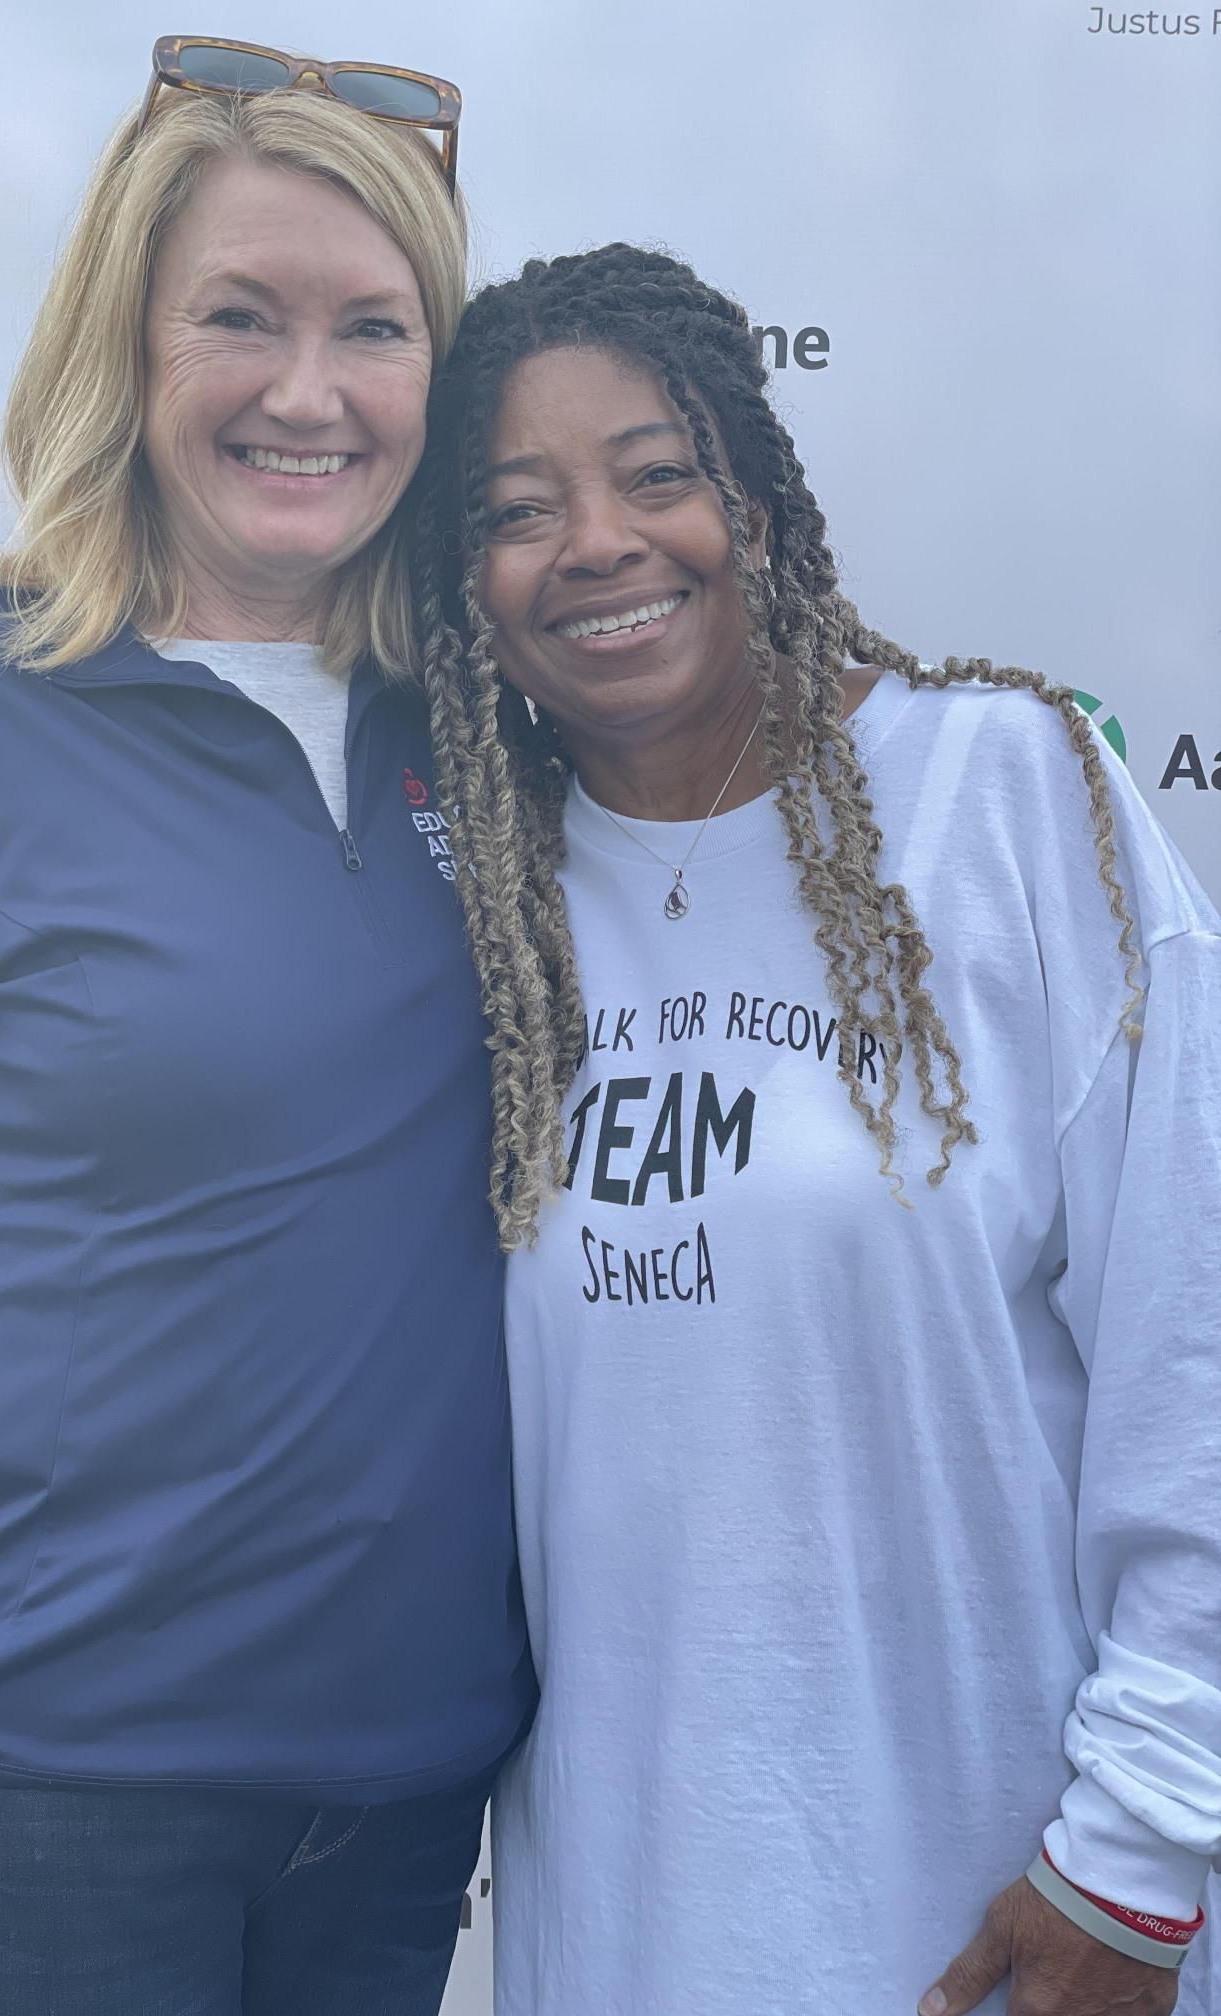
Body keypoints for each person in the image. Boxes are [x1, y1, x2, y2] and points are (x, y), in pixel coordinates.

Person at [0, 41, 534, 2016]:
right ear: (125, 344)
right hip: (42, 1783)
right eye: (236, 318)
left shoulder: (501, 723)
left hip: (416, 1778)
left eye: (374, 326)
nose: (308, 390)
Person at [410, 243, 1221, 2016]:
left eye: (657, 474)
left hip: (1012, 1921)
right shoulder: (479, 909)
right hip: (627, 1922)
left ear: (759, 506)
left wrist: (1140, 1860)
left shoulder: (1019, 801)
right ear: (466, 584)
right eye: (518, 508)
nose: (600, 544)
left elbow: (1199, 1353)